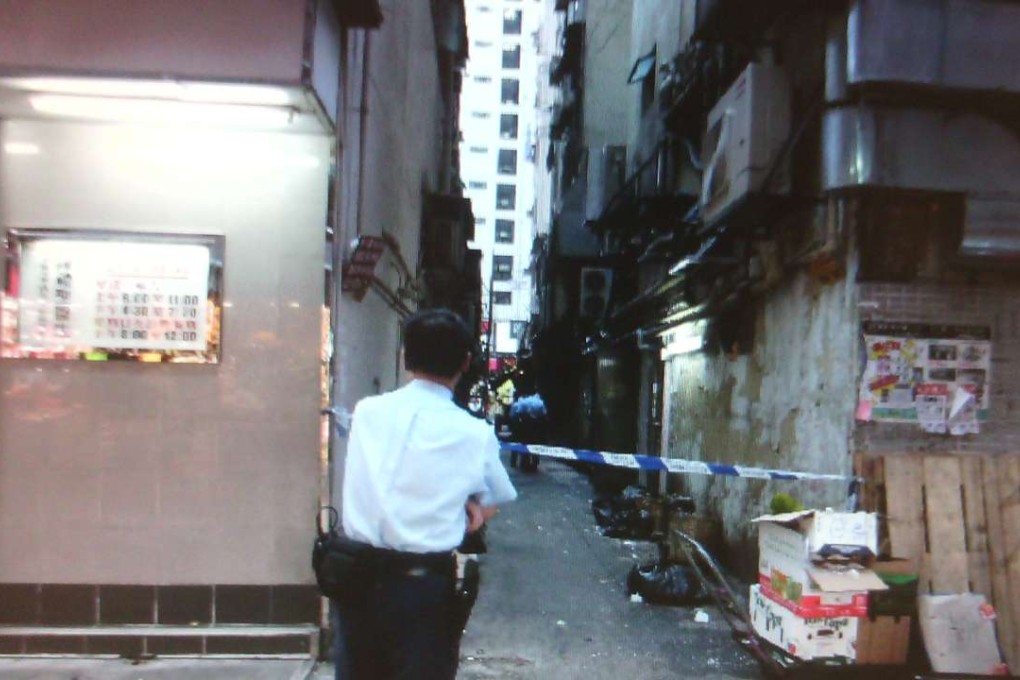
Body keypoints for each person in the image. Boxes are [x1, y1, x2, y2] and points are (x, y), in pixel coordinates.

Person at [335, 308, 518, 680]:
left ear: (405, 358)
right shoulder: (473, 432)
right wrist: (475, 512)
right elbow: (496, 496)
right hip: (422, 589)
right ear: (466, 362)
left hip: (354, 578)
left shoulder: (367, 413)